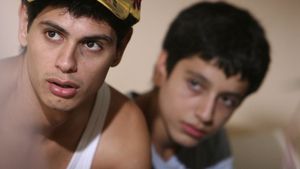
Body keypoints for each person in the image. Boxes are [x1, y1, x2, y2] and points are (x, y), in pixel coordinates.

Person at [0, 0, 150, 168]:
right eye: (53, 34)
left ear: (120, 48)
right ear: (24, 22)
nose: (66, 63)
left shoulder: (124, 133)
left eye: (91, 44)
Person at [132, 1, 271, 169]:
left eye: (227, 100)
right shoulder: (105, 127)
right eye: (195, 84)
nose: (206, 115)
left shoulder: (213, 144)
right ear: (162, 67)